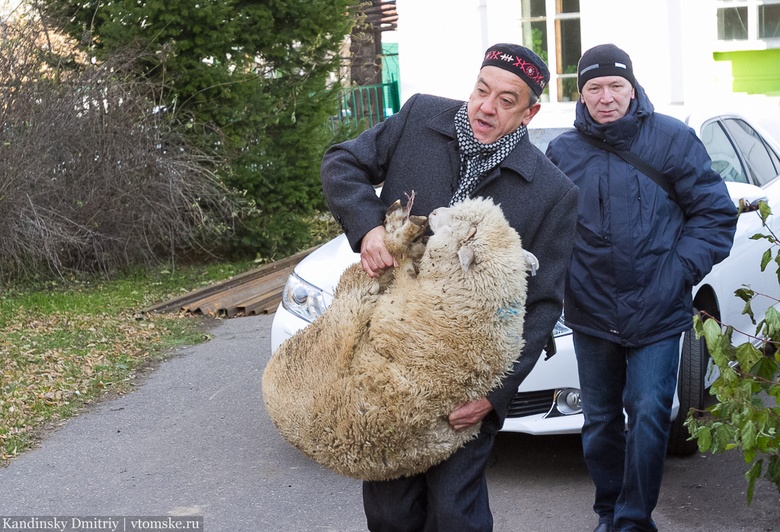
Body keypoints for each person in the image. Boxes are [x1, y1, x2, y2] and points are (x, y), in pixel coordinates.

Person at [321, 43, 578, 531]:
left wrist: (493, 397)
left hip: (465, 378)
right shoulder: (420, 118)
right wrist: (369, 227)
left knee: (454, 513)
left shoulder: (551, 192)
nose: (486, 107)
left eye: (507, 100)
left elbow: (542, 306)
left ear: (530, 112)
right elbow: (341, 163)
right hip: (390, 365)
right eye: (482, 91)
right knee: (390, 512)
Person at [546, 44, 738, 532]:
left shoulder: (673, 140)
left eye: (616, 86)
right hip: (591, 312)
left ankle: (633, 521)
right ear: (581, 94)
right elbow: (548, 229)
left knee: (651, 414)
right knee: (600, 424)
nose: (606, 97)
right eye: (594, 88)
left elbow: (715, 215)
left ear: (632, 88)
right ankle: (609, 511)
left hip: (657, 308)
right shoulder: (563, 152)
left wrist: (677, 272)